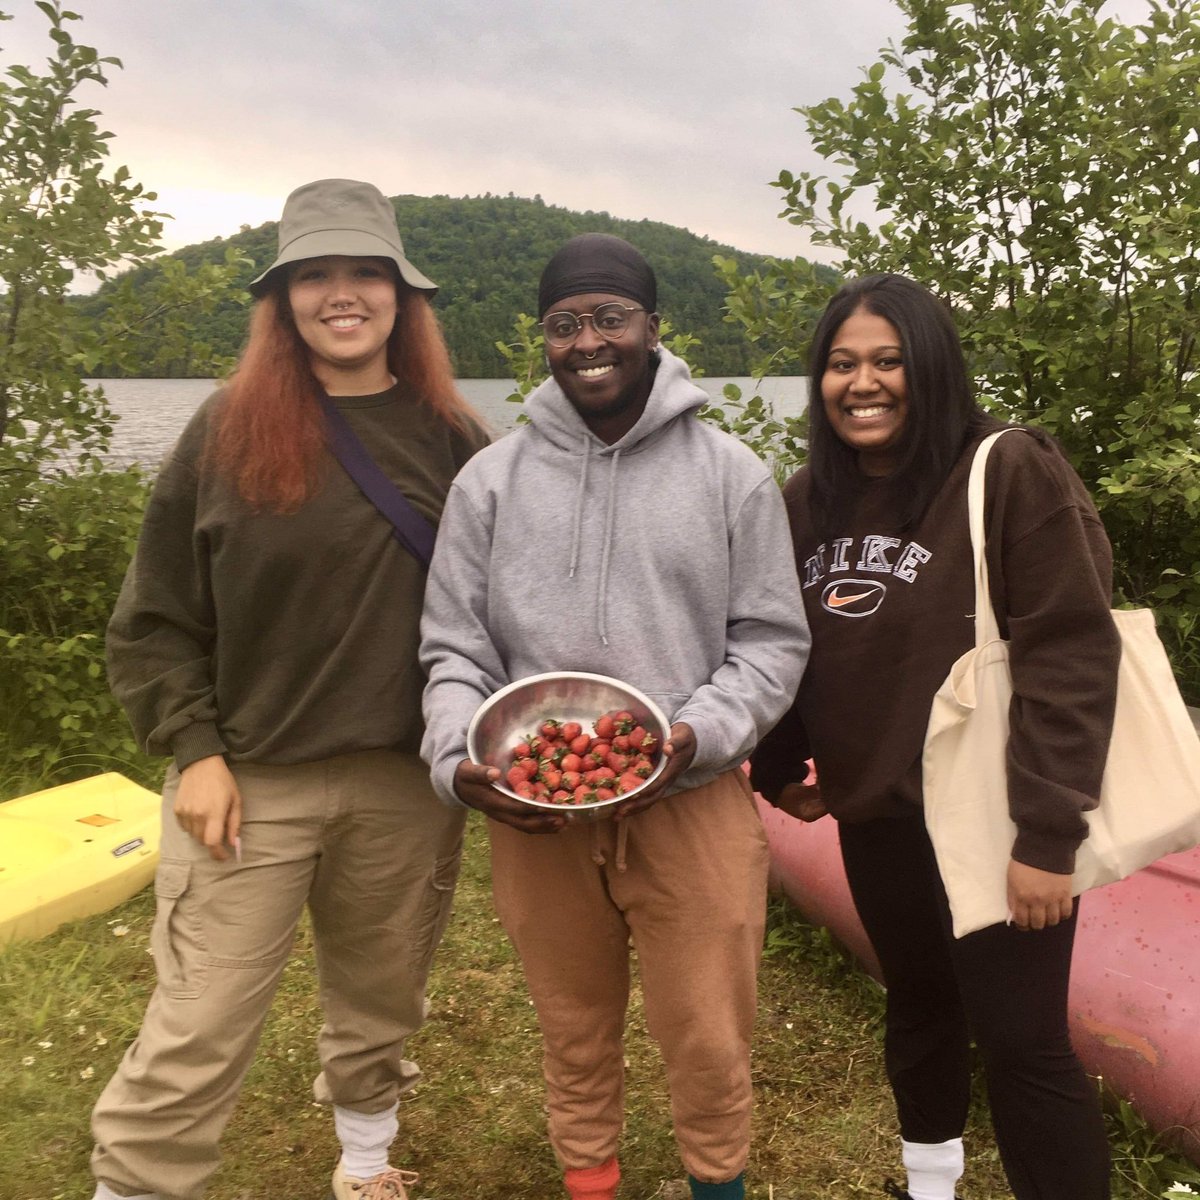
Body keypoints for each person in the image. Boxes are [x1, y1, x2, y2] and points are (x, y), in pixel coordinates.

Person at [90, 179, 490, 1200]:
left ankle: (364, 1165)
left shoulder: (456, 439)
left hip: (402, 785)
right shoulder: (225, 430)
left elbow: (517, 600)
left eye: (367, 273)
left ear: (406, 296)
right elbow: (154, 617)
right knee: (198, 1023)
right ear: (283, 298)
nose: (342, 294)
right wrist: (198, 750)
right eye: (317, 274)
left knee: (382, 998)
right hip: (249, 783)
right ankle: (134, 1186)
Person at [419, 233, 810, 1200]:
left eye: (608, 318)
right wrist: (455, 760)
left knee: (712, 1036)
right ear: (543, 340)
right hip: (539, 807)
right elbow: (453, 651)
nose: (587, 340)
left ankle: (716, 1184)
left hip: (693, 796)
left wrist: (698, 735)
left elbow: (771, 642)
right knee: (572, 1027)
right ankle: (589, 1183)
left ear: (651, 329)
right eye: (564, 324)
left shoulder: (731, 474)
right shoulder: (491, 482)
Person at [750, 274, 1120, 1200]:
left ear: (933, 369)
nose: (862, 382)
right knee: (918, 1007)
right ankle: (930, 1186)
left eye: (888, 361)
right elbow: (800, 646)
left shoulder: (1006, 470)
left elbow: (1068, 656)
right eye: (841, 364)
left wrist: (1048, 836)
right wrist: (784, 761)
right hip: (882, 819)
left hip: (998, 821)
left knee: (1022, 1044)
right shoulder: (808, 501)